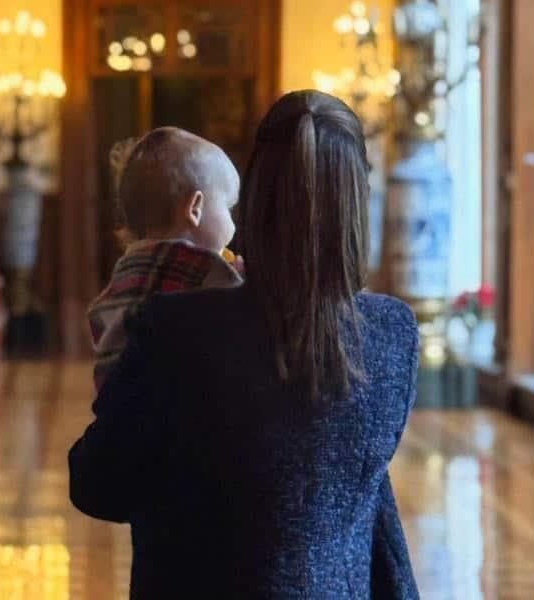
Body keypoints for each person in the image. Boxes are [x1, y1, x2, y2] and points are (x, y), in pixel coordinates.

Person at [69, 90, 420, 598]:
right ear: (358, 204)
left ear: (256, 195)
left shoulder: (175, 330)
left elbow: (101, 488)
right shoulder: (394, 332)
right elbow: (365, 497)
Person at [87, 127, 242, 389]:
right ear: (195, 209)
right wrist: (242, 283)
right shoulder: (207, 274)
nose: (233, 220)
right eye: (228, 207)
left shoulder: (124, 277)